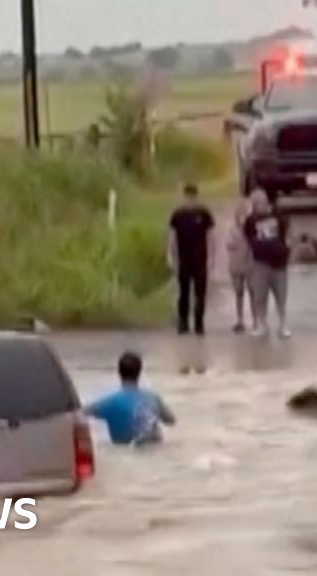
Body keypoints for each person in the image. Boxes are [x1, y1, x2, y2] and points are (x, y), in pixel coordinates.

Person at [85, 352, 176, 446]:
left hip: (125, 454)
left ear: (119, 372)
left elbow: (78, 414)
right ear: (139, 372)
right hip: (156, 451)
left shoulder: (109, 403)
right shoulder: (153, 398)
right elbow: (171, 420)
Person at [168, 183, 215, 336]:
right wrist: (170, 255)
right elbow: (172, 237)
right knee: (183, 293)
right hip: (184, 259)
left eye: (192, 198)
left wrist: (212, 257)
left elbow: (211, 236)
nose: (190, 200)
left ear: (196, 197)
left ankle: (199, 323)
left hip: (200, 258)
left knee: (200, 293)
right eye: (187, 198)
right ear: (184, 197)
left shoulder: (204, 214)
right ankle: (183, 323)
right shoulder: (178, 215)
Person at [244, 189, 291, 339]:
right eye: (254, 204)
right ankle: (261, 325)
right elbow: (248, 238)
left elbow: (287, 233)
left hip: (279, 262)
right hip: (260, 262)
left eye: (259, 203)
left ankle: (283, 325)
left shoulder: (278, 215)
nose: (257, 206)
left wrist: (286, 249)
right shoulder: (250, 220)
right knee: (260, 296)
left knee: (281, 296)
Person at [225, 200, 253, 333]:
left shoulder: (253, 229)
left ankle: (256, 319)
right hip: (236, 264)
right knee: (238, 292)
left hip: (251, 264)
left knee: (254, 292)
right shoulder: (232, 229)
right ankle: (239, 319)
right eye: (241, 215)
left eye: (246, 214)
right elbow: (229, 244)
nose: (243, 218)